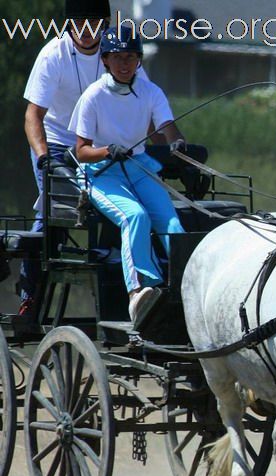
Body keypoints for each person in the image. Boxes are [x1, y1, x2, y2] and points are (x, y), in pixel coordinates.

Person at [69, 26, 186, 327]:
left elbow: (167, 127)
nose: (124, 64)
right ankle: (139, 291)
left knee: (172, 223)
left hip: (137, 166)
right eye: (118, 57)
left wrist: (177, 143)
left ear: (138, 61)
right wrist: (107, 150)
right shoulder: (93, 96)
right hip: (100, 172)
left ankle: (187, 283)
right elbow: (81, 151)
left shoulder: (151, 92)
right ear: (106, 60)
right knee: (135, 216)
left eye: (131, 57)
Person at [21, 0, 112, 316]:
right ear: (69, 22)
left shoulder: (118, 53)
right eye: (79, 20)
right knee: (57, 208)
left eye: (94, 21)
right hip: (57, 145)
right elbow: (33, 116)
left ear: (105, 22)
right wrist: (44, 157)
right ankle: (28, 292)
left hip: (101, 147)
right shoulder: (53, 54)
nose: (86, 29)